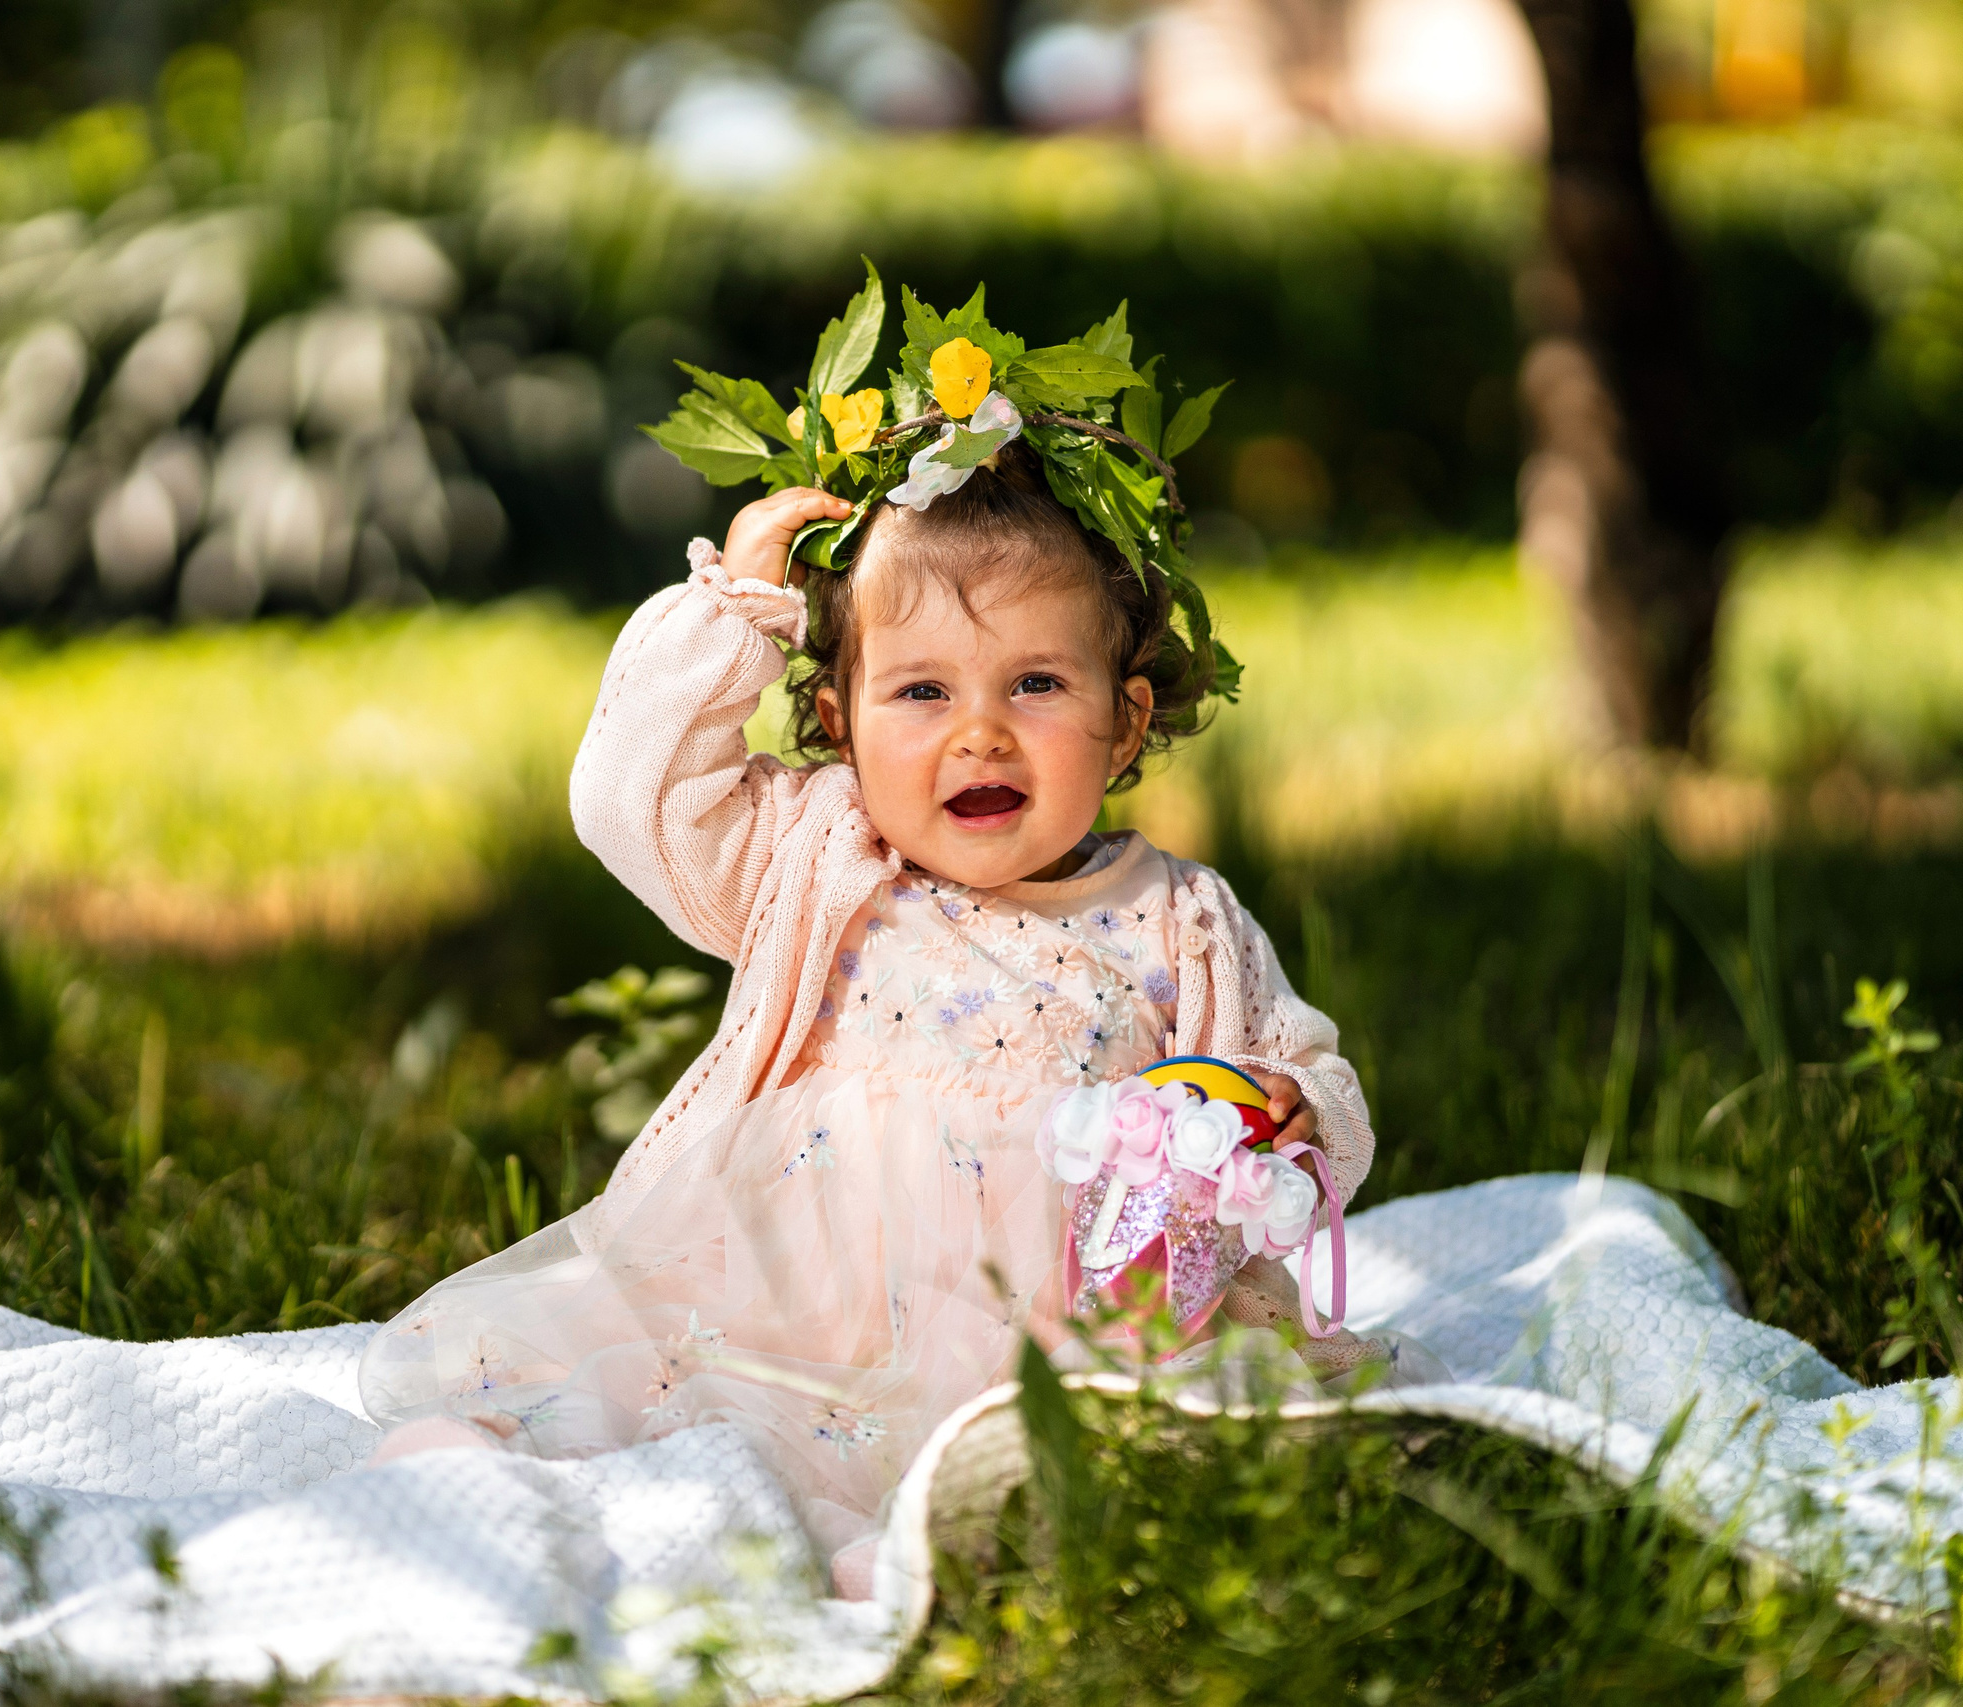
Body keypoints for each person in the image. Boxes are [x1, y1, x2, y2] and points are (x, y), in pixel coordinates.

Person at [358, 432, 1403, 1602]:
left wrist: (1291, 1109)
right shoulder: (815, 856)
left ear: (1124, 719)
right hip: (800, 1300)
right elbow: (627, 799)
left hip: (1072, 1319)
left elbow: (1298, 1076)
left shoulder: (1181, 917)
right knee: (675, 1392)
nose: (979, 731)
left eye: (1036, 684)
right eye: (921, 691)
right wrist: (735, 614)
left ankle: (909, 1544)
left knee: (1164, 1452)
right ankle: (532, 1484)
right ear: (839, 719)